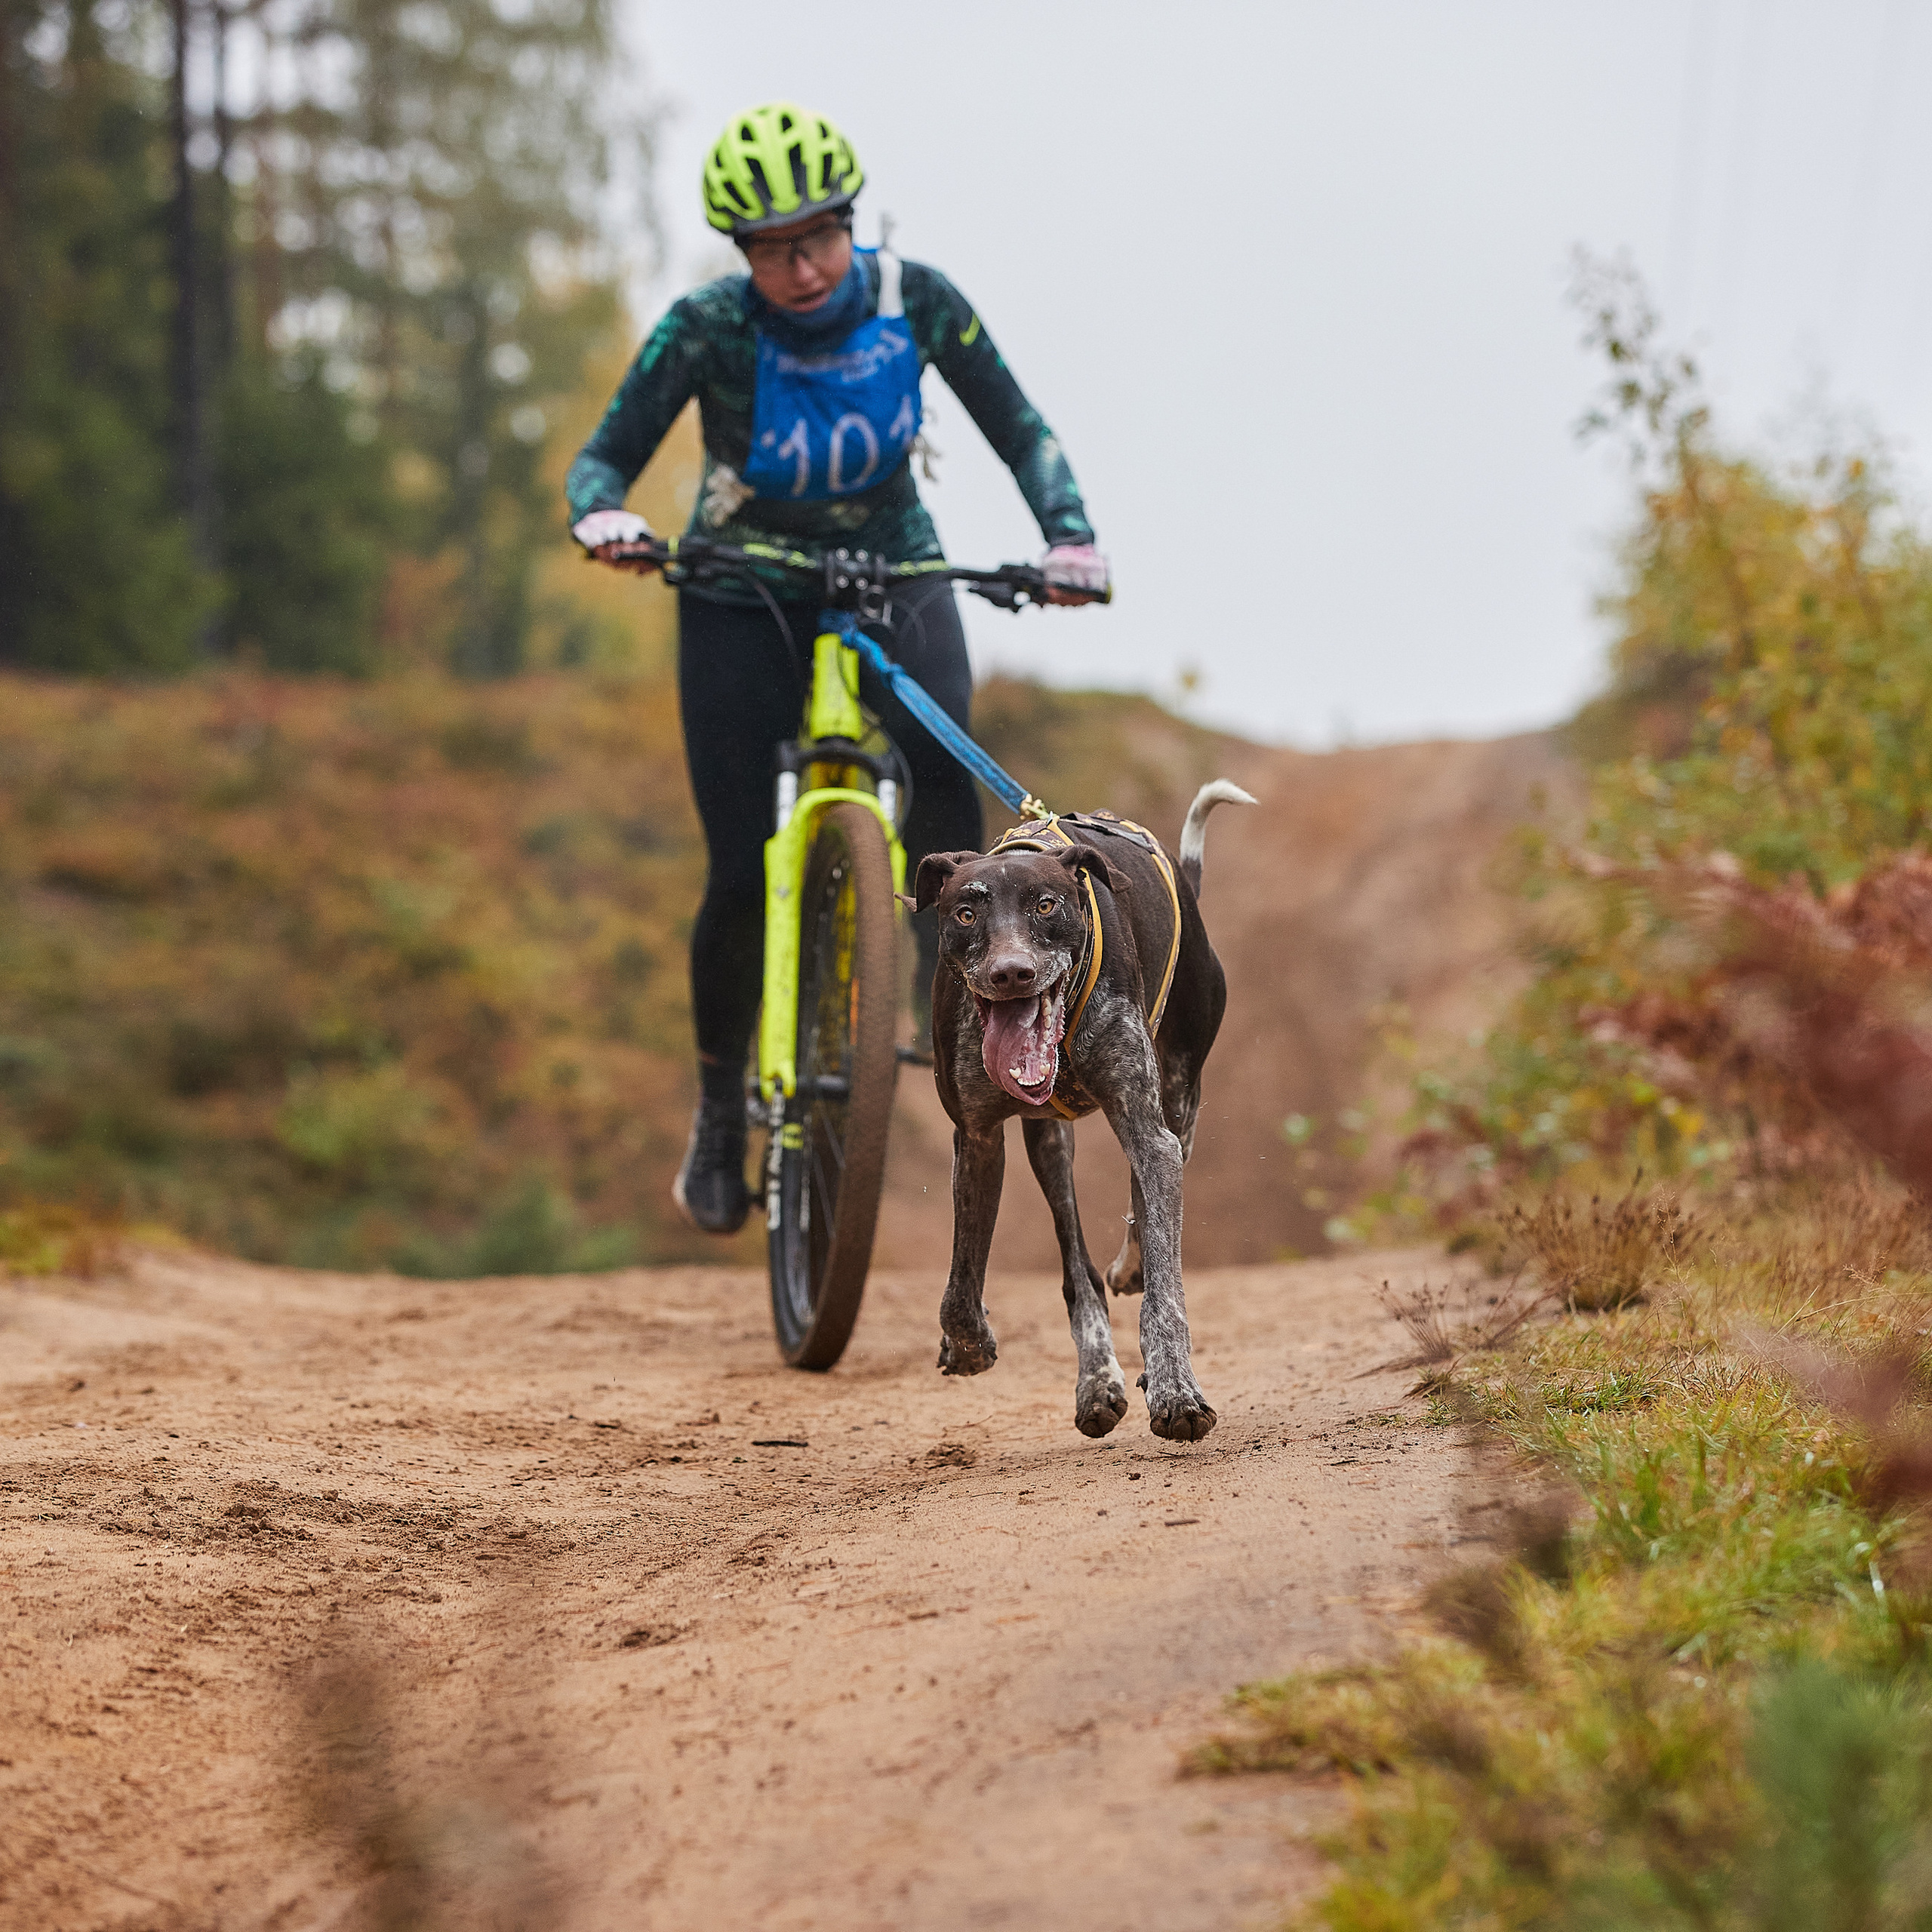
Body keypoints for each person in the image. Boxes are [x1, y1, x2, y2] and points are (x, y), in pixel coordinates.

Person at [568, 100, 1107, 1235]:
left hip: (892, 566)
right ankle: (723, 1109)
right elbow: (608, 453)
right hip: (737, 581)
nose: (800, 268)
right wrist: (604, 515)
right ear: (741, 255)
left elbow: (1019, 426)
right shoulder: (708, 328)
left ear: (850, 226)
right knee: (733, 868)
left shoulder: (920, 302)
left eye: (816, 239)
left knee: (940, 766)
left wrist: (1067, 534)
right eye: (771, 250)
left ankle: (949, 999)